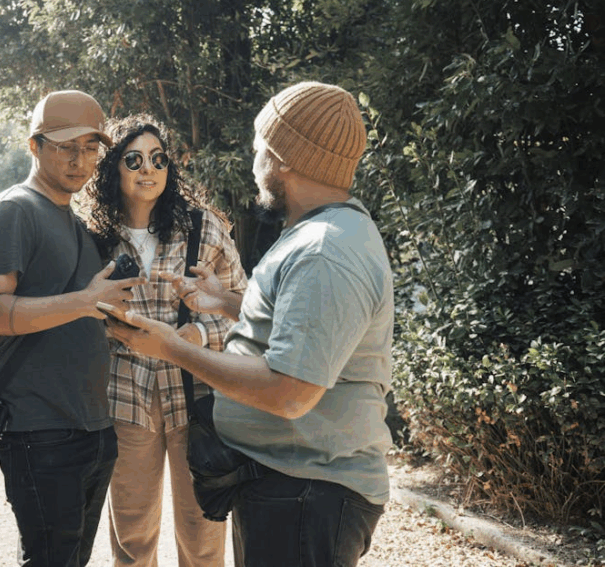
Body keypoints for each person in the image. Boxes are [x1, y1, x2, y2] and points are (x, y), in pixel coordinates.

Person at [103, 82, 395, 567]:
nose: (253, 158)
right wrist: (228, 302)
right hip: (289, 484)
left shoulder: (324, 250)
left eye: (260, 146)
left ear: (284, 158)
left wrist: (174, 348)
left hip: (307, 493)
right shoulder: (322, 234)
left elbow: (290, 391)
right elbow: (307, 329)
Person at [0, 90, 143, 567]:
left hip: (91, 428)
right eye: (66, 146)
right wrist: (85, 301)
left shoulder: (72, 219)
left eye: (90, 147)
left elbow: (72, 315)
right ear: (35, 146)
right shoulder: (14, 211)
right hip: (41, 431)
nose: (79, 160)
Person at [84, 114, 248, 567]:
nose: (148, 169)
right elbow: (77, 315)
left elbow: (249, 315)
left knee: (203, 537)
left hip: (195, 397)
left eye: (158, 159)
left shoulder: (204, 229)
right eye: (134, 159)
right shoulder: (94, 238)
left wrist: (196, 333)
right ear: (113, 167)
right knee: (133, 540)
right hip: (124, 397)